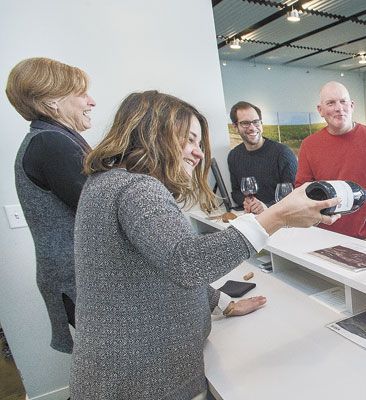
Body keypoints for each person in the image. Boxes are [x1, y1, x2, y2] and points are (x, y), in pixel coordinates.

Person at [70, 90, 340, 399]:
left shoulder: (109, 181)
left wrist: (221, 303)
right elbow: (187, 262)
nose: (198, 154)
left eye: (198, 143)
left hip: (124, 370)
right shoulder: (136, 188)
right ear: (153, 132)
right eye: (188, 140)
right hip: (143, 379)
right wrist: (277, 217)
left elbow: (158, 268)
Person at [6, 57, 97, 353]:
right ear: (52, 101)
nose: (91, 101)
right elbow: (102, 209)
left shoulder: (52, 139)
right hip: (77, 279)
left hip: (74, 276)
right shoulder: (50, 143)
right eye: (82, 93)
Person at [295, 81, 366, 239]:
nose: (338, 108)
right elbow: (303, 190)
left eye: (343, 101)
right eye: (331, 103)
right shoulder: (309, 145)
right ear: (320, 110)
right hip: (324, 236)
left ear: (351, 105)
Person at [227, 101, 297, 213]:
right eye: (245, 123)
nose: (252, 127)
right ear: (235, 127)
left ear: (261, 124)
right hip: (253, 219)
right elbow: (236, 192)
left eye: (256, 122)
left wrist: (266, 207)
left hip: (283, 219)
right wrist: (245, 201)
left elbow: (293, 195)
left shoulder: (283, 154)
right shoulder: (233, 156)